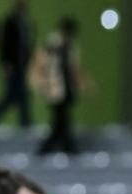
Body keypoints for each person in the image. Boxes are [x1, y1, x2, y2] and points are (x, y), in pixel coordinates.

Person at [31, 17, 86, 155]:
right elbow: (41, 63)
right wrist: (43, 82)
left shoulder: (67, 45)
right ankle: (63, 148)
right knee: (61, 120)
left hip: (63, 88)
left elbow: (72, 67)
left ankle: (63, 147)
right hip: (55, 87)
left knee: (61, 120)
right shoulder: (52, 44)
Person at [0, 0, 33, 129]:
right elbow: (6, 44)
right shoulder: (11, 20)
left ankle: (25, 124)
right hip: (13, 65)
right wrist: (6, 63)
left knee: (20, 96)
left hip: (21, 65)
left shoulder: (25, 21)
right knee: (13, 96)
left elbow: (25, 45)